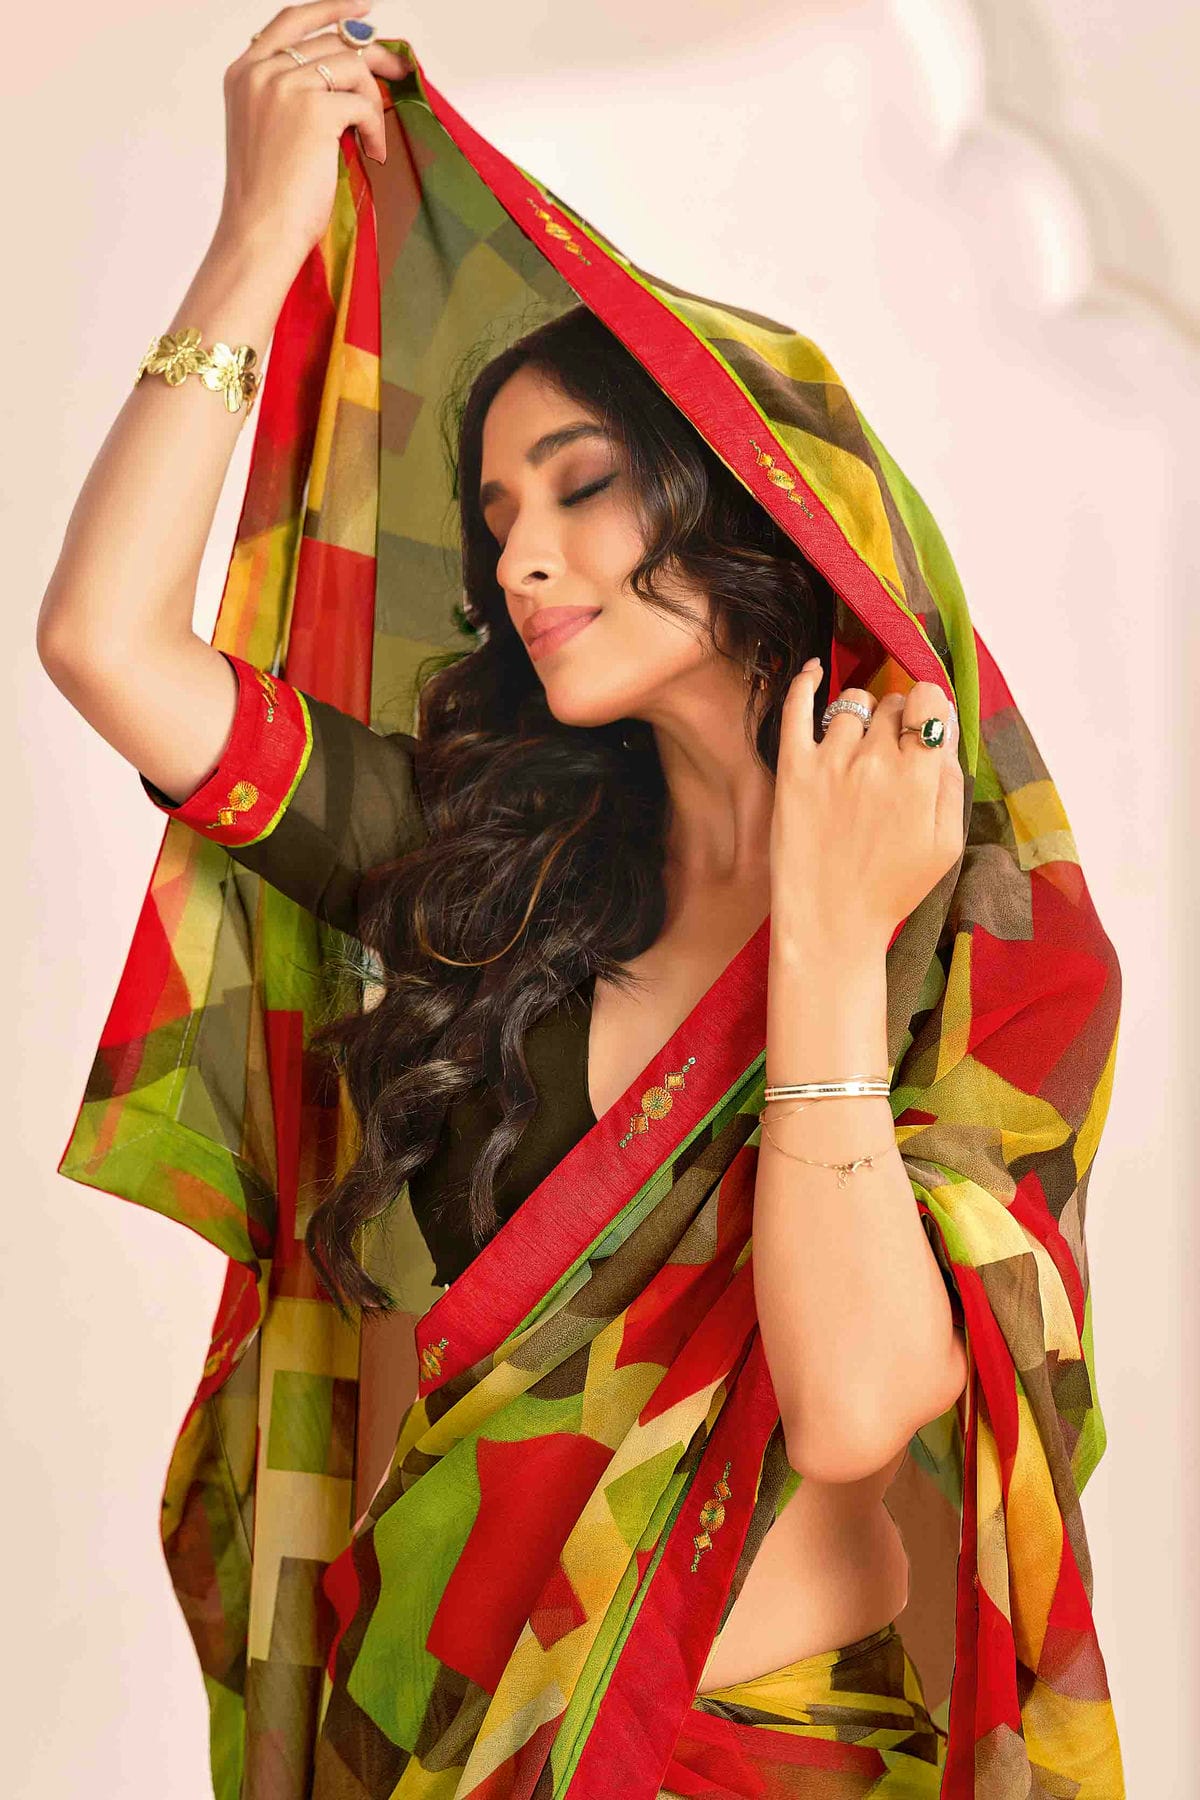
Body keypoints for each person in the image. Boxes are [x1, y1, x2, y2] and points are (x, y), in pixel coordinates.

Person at [38, 8, 1125, 1796]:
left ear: (754, 500)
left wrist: (826, 940)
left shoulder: (979, 937)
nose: (522, 558)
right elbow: (106, 642)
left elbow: (857, 1403)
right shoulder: (487, 870)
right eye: (494, 518)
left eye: (584, 490)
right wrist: (255, 242)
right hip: (444, 1748)